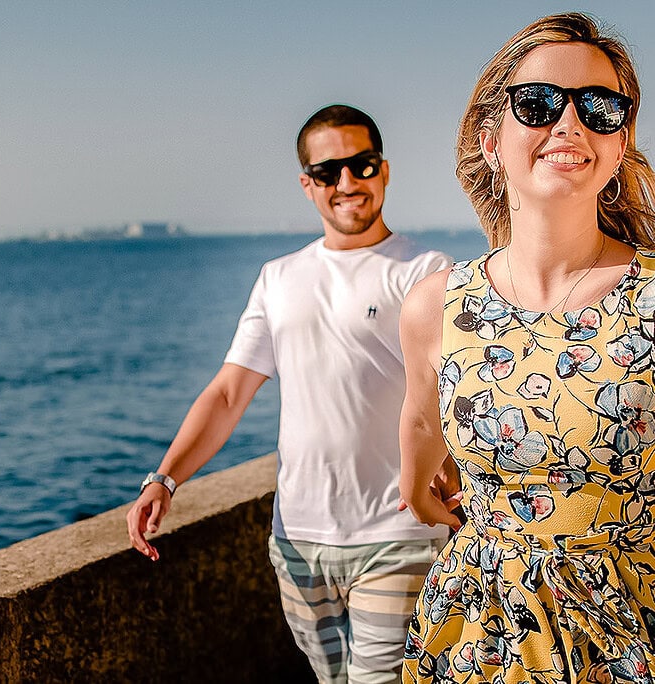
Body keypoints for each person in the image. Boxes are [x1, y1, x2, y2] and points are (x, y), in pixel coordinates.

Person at [126, 104, 455, 683]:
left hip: (399, 531)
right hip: (298, 539)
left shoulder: (425, 270)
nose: (347, 184)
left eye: (362, 165)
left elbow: (453, 389)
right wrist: (166, 478)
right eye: (328, 172)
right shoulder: (277, 278)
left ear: (384, 169)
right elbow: (229, 393)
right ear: (307, 185)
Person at [398, 12, 655, 683]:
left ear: (621, 140)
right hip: (480, 633)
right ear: (491, 139)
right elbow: (424, 420)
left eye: (599, 107)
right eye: (538, 103)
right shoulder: (438, 306)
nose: (569, 125)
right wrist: (416, 483)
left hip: (632, 632)